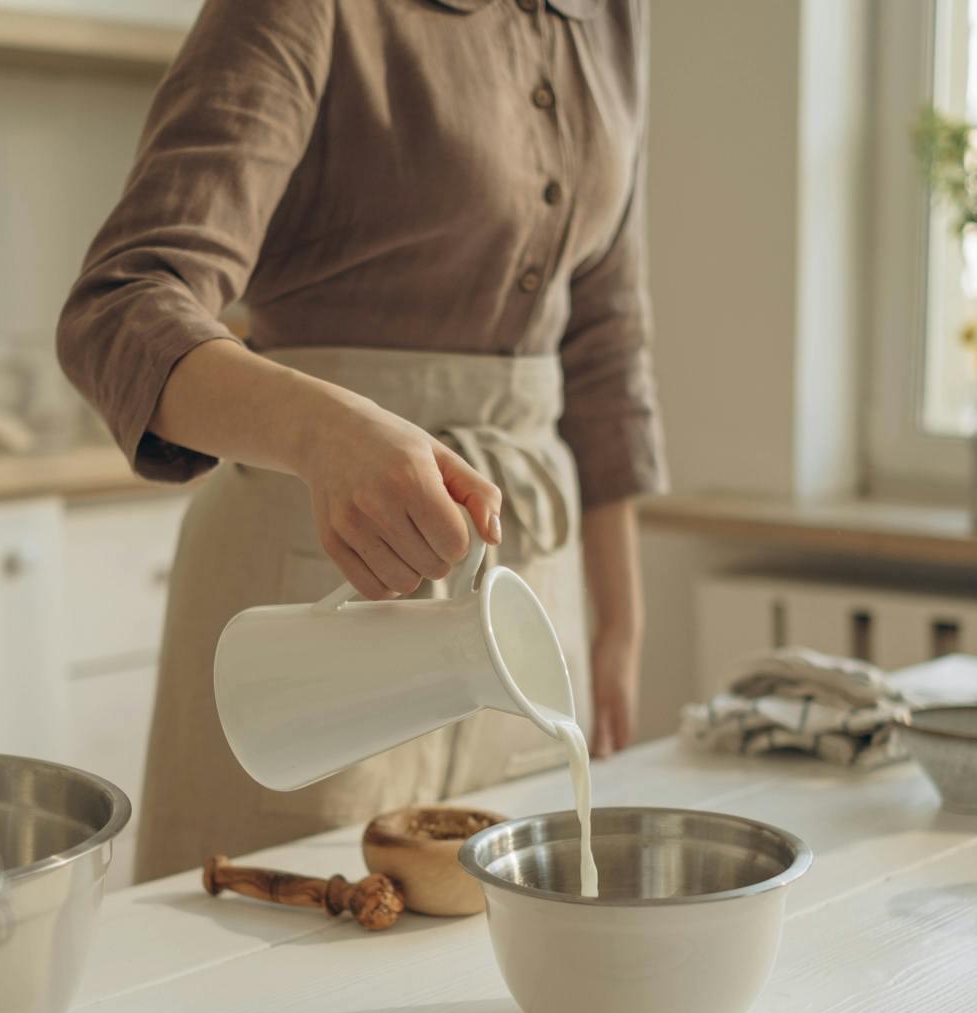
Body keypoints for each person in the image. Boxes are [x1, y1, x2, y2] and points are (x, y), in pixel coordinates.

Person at [59, 0, 666, 884]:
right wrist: (325, 430)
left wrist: (619, 622)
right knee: (280, 968)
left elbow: (606, 336)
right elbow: (118, 308)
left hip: (525, 591)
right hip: (323, 582)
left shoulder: (612, 15)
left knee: (489, 976)